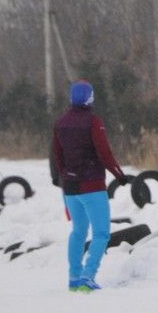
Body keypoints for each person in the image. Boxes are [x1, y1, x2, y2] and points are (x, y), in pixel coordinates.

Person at [50, 80, 126, 291]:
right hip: (91, 185)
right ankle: (88, 276)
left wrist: (64, 177)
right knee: (101, 233)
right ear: (89, 97)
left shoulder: (61, 123)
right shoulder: (93, 121)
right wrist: (119, 175)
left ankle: (74, 278)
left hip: (70, 187)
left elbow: (57, 155)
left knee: (78, 232)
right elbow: (104, 152)